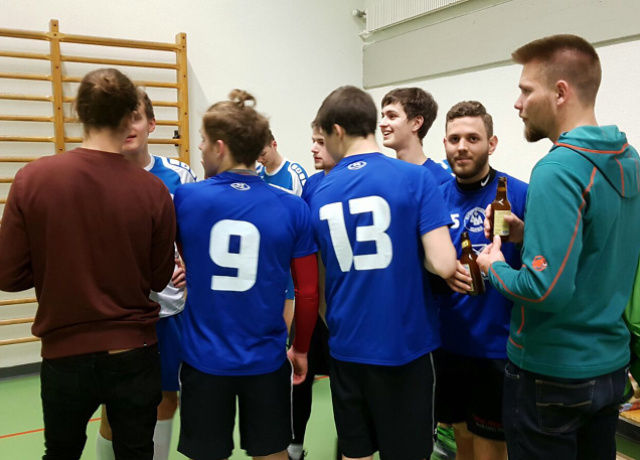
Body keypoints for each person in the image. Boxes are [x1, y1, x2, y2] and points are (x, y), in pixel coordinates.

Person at [476, 34, 640, 460]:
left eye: (526, 90)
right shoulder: (629, 160)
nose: (517, 103)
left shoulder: (558, 168)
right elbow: (599, 247)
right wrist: (531, 234)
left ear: (561, 92)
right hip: (608, 370)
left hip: (551, 376)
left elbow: (544, 288)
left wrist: (494, 265)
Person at [0, 68, 176, 460]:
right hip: (134, 350)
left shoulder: (33, 179)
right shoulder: (153, 190)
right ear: (132, 115)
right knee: (136, 452)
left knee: (60, 453)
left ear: (78, 112)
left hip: (64, 354)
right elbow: (159, 277)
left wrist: (57, 268)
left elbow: (7, 275)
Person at [307, 85, 457, 460]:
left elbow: (321, 281)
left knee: (354, 452)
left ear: (337, 131)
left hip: (345, 346)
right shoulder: (415, 178)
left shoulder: (320, 192)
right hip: (403, 347)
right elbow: (444, 264)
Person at [174, 90, 319, 460]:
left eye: (204, 142)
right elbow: (306, 290)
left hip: (203, 358)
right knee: (272, 453)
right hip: (266, 359)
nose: (201, 150)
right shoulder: (292, 207)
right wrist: (300, 346)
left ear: (220, 147)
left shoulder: (186, 200)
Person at [96, 90, 197, 460]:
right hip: (117, 312)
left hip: (168, 308)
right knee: (115, 404)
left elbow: (192, 232)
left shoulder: (178, 174)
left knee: (167, 398)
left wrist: (193, 264)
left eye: (136, 117)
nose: (129, 126)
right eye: (121, 118)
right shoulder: (98, 175)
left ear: (151, 124)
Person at [434, 101, 528, 460]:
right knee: (461, 441)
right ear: (444, 143)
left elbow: (545, 263)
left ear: (492, 143)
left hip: (498, 347)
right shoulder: (436, 198)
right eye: (454, 138)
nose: (462, 146)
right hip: (448, 342)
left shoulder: (517, 194)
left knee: (491, 450)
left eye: (473, 138)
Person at [288, 122, 338, 460]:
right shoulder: (312, 187)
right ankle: (294, 444)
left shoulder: (358, 185)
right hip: (313, 303)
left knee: (346, 386)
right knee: (300, 377)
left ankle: (349, 445)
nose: (314, 149)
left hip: (344, 307)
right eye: (312, 141)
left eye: (321, 142)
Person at [257, 130, 309, 330]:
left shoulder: (294, 173)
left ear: (274, 145)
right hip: (266, 255)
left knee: (285, 321)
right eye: (257, 155)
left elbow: (305, 216)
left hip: (288, 254)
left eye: (263, 153)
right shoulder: (258, 174)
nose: (260, 159)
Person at [380, 87, 453, 184]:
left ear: (416, 123)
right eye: (382, 116)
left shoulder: (440, 181)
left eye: (392, 116)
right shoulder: (383, 177)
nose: (382, 123)